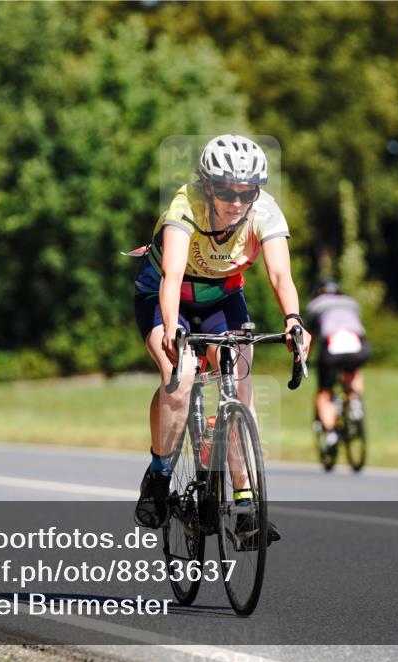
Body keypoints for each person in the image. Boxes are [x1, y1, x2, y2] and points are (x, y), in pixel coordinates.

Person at [131, 135, 310, 537]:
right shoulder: (185, 204)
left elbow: (281, 275)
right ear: (208, 186)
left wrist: (294, 321)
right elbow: (173, 275)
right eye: (226, 191)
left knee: (239, 387)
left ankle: (245, 503)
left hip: (221, 301)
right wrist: (173, 331)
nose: (236, 201)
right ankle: (159, 474)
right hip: (166, 294)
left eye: (247, 192)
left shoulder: (263, 211)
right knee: (181, 379)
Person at [306, 280, 371, 458]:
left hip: (332, 349)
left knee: (324, 392)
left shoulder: (315, 305)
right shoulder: (351, 303)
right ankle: (355, 400)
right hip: (358, 347)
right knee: (353, 369)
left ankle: (332, 433)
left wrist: (303, 358)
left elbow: (309, 337)